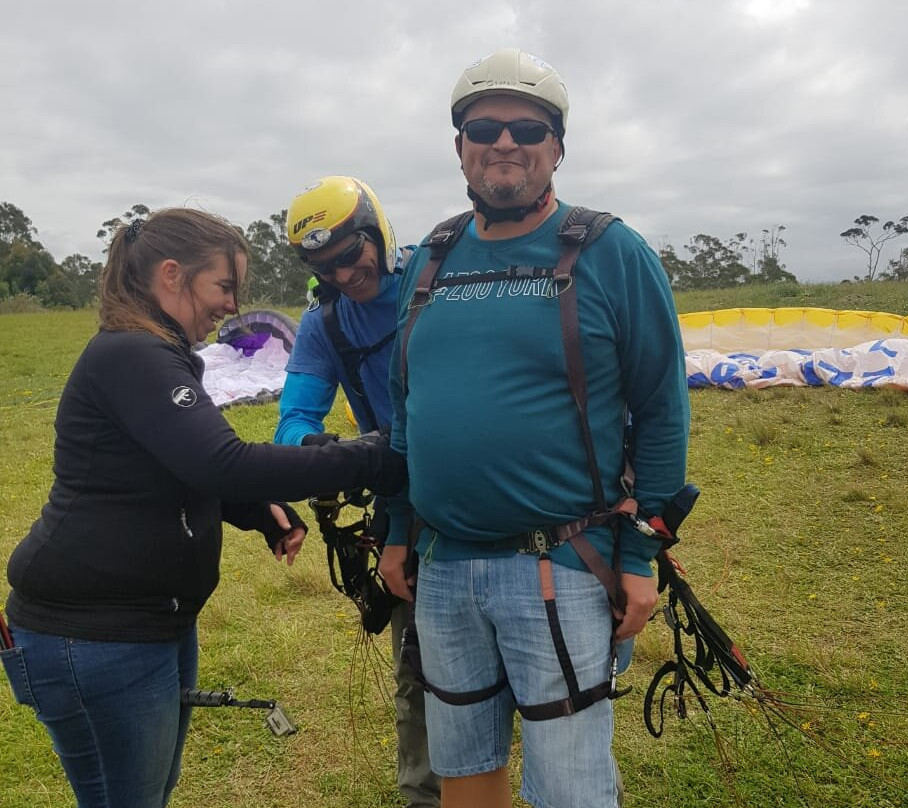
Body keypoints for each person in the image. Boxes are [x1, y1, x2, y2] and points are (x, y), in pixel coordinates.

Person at [1, 208, 406, 808]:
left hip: (142, 623)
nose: (231, 307)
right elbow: (222, 462)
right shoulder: (132, 354)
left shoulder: (156, 354)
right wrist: (372, 455)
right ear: (172, 275)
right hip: (92, 632)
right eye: (223, 287)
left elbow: (175, 467)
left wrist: (250, 508)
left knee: (147, 792)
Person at [380, 49, 690, 808]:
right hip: (443, 566)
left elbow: (661, 407)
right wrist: (397, 528)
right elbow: (404, 411)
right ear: (460, 146)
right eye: (484, 127)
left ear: (557, 146)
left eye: (529, 127)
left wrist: (643, 551)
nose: (506, 142)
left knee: (571, 785)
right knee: (464, 770)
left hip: (562, 564)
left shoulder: (611, 252)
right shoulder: (432, 257)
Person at [277, 176, 440, 808]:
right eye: (325, 268)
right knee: (420, 671)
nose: (344, 275)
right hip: (401, 502)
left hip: (484, 486)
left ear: (377, 232)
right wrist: (316, 451)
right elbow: (294, 417)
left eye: (351, 254)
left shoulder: (438, 275)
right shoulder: (324, 324)